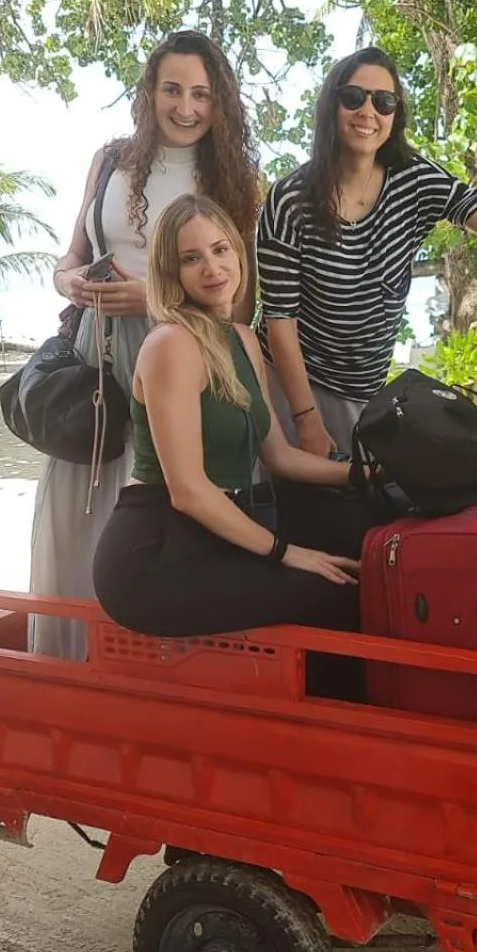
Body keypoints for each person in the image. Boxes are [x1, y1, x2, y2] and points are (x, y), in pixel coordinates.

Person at [31, 31, 261, 659]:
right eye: (172, 90)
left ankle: (152, 669)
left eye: (201, 94)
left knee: (162, 514)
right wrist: (70, 282)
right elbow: (72, 253)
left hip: (184, 359)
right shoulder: (111, 161)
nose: (186, 107)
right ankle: (75, 663)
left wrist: (153, 303)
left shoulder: (236, 178)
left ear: (221, 103)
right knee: (82, 504)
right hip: (94, 356)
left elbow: (237, 305)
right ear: (149, 93)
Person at [256, 46, 477, 457]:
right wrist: (306, 419)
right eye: (353, 97)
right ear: (331, 105)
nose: (368, 112)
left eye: (384, 101)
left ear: (396, 115)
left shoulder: (415, 180)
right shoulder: (290, 198)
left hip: (364, 391)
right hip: (288, 388)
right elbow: (279, 320)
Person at [92, 194, 361, 662]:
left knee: (353, 557)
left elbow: (277, 455)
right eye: (191, 258)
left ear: (239, 253)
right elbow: (189, 492)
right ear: (171, 272)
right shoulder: (172, 344)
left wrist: (362, 475)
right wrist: (288, 552)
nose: (213, 268)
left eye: (220, 250)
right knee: (335, 595)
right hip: (155, 554)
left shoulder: (240, 339)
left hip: (218, 533)